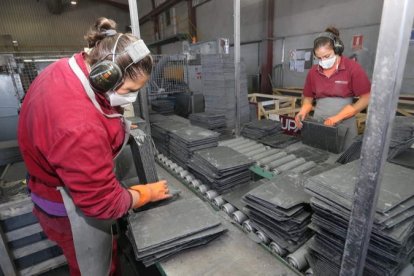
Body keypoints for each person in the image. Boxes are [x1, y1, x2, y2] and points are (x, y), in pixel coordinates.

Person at [18, 17, 171, 276]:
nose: (131, 97)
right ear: (104, 77)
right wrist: (145, 194)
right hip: (66, 208)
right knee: (96, 269)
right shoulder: (79, 128)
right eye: (130, 89)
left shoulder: (67, 68)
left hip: (48, 183)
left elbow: (96, 109)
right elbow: (102, 204)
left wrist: (117, 125)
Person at [295, 27, 371, 149]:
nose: (323, 61)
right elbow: (308, 98)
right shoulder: (313, 71)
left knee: (343, 160)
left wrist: (338, 117)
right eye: (319, 58)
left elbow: (366, 98)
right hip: (319, 121)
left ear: (337, 50)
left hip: (344, 123)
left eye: (327, 56)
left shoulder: (352, 68)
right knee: (318, 154)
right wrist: (302, 111)